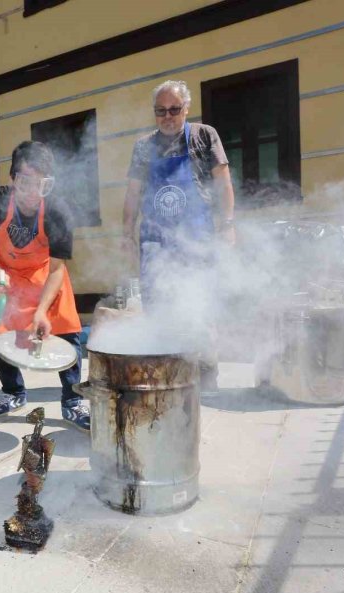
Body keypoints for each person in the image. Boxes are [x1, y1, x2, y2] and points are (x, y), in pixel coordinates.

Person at [122, 80, 236, 391]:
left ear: (186, 109)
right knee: (158, 309)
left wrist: (227, 225)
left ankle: (207, 378)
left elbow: (223, 183)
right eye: (161, 111)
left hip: (196, 237)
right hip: (155, 241)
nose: (168, 117)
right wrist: (127, 234)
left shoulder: (203, 135)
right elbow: (133, 193)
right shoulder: (143, 146)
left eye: (174, 109)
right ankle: (167, 378)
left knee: (200, 306)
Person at [0, 141, 90, 432]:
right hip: (3, 275)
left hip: (45, 275)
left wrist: (41, 311)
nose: (32, 192)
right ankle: (13, 392)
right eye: (25, 182)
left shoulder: (58, 210)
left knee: (68, 332)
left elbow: (57, 268)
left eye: (41, 184)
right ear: (12, 178)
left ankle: (73, 400)